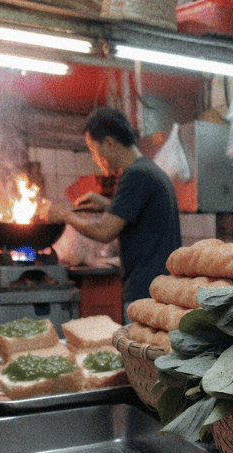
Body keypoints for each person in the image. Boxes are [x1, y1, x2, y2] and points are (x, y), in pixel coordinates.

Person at [47, 107, 182, 323]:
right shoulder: (150, 170)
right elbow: (140, 216)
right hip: (161, 289)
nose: (94, 158)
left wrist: (65, 215)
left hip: (146, 294)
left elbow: (104, 231)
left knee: (140, 355)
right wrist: (106, 203)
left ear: (109, 143)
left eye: (93, 149)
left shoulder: (135, 174)